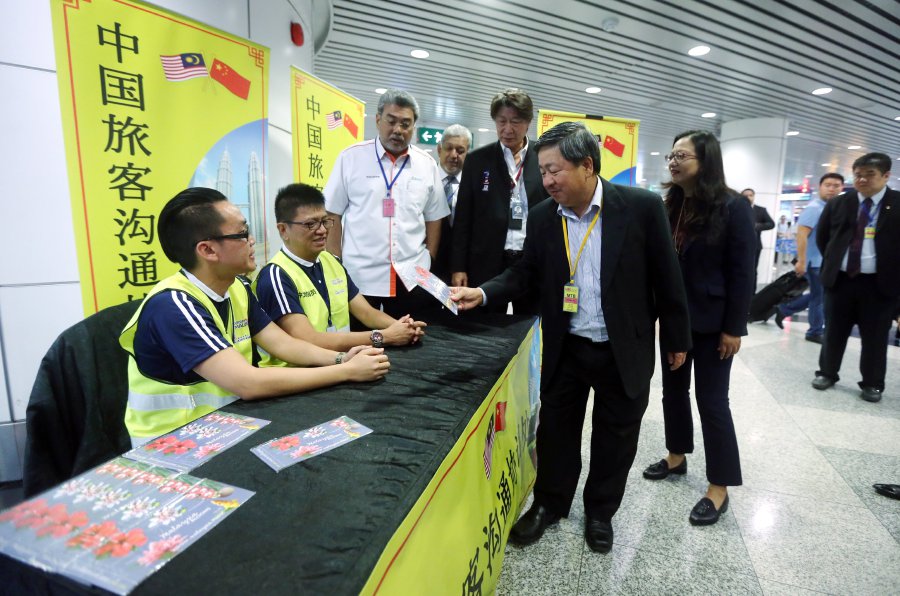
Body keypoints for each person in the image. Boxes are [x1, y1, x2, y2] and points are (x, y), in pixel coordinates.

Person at [452, 122, 691, 554]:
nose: (547, 181)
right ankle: (549, 504)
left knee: (616, 436)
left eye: (554, 170)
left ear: (587, 165)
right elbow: (525, 272)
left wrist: (676, 338)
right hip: (568, 345)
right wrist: (484, 291)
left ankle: (600, 512)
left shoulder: (639, 207)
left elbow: (667, 277)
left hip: (625, 347)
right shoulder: (545, 216)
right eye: (542, 172)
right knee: (556, 433)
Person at [120, 188, 390, 446]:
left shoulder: (237, 287)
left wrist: (342, 358)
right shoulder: (173, 306)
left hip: (226, 423)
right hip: (174, 442)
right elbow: (247, 383)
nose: (252, 241)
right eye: (242, 234)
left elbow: (283, 344)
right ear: (207, 250)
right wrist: (345, 372)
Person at [641, 130, 756, 526]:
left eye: (682, 156)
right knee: (673, 392)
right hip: (674, 320)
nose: (673, 162)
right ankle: (676, 456)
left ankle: (719, 486)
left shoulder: (733, 207)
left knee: (712, 401)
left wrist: (734, 328)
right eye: (671, 155)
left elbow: (743, 273)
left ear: (705, 161)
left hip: (712, 324)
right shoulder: (669, 205)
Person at [254, 183, 425, 358]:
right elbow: (309, 339)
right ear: (283, 230)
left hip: (343, 362)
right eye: (310, 224)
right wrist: (383, 336)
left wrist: (402, 327)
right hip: (301, 374)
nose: (321, 230)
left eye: (325, 221)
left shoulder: (331, 261)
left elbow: (366, 312)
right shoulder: (275, 276)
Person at [324, 89, 448, 319]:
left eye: (405, 124)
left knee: (412, 343)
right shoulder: (350, 158)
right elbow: (332, 213)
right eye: (391, 121)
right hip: (359, 276)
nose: (397, 130)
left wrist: (429, 257)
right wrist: (336, 263)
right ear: (378, 120)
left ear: (413, 127)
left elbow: (435, 217)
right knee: (364, 346)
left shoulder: (427, 164)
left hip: (412, 276)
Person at [451, 89, 549, 314]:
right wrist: (458, 266)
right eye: (501, 121)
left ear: (528, 122)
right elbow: (464, 217)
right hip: (487, 259)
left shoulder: (543, 155)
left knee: (530, 324)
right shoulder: (477, 160)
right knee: (486, 327)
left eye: (515, 121)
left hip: (531, 259)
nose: (508, 129)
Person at [812, 152, 900, 403]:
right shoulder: (840, 202)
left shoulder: (897, 204)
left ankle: (872, 383)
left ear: (886, 175)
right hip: (841, 281)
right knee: (834, 332)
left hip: (879, 285)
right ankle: (827, 373)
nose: (861, 180)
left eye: (869, 175)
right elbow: (824, 238)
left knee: (875, 337)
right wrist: (832, 263)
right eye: (858, 175)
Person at [774, 173, 845, 343]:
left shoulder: (831, 208)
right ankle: (814, 331)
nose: (832, 188)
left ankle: (784, 310)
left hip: (824, 261)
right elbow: (802, 235)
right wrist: (802, 260)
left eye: (836, 185)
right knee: (819, 297)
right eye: (828, 185)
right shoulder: (815, 208)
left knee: (819, 295)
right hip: (814, 261)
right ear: (820, 187)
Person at [432, 124, 472, 283]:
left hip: (462, 270)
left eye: (460, 151)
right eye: (449, 148)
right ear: (439, 149)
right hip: (426, 266)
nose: (454, 155)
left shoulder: (475, 186)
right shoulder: (423, 180)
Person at [741, 188, 775, 291]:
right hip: (738, 246)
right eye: (745, 195)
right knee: (738, 270)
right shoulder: (736, 210)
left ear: (754, 196)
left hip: (755, 246)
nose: (748, 197)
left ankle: (752, 294)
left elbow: (771, 224)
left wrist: (756, 226)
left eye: (750, 195)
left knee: (752, 270)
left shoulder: (760, 210)